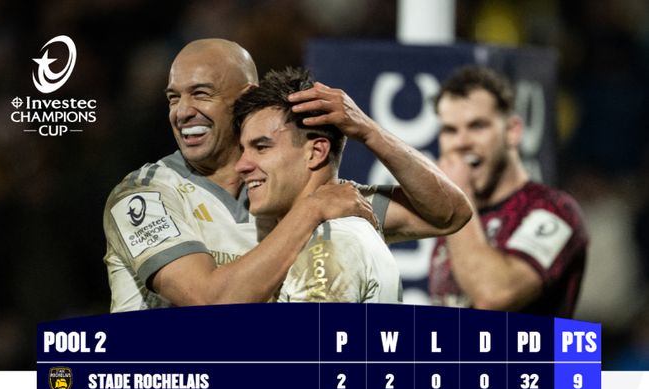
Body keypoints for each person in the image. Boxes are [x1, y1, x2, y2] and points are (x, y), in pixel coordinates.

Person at [103, 39, 472, 311]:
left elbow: (449, 213)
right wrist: (310, 211)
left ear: (244, 96)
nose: (182, 111)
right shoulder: (144, 196)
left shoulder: (280, 190)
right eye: (173, 98)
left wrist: (369, 131)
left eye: (200, 94)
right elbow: (209, 303)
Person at [428, 65, 588, 317]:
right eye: (450, 130)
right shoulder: (454, 218)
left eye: (477, 126)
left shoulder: (555, 210)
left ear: (512, 131)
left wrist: (459, 196)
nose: (461, 142)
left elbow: (494, 296)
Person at [234, 67, 401, 302]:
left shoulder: (329, 243)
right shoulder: (329, 235)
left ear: (315, 152)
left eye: (261, 147)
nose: (241, 165)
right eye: (243, 150)